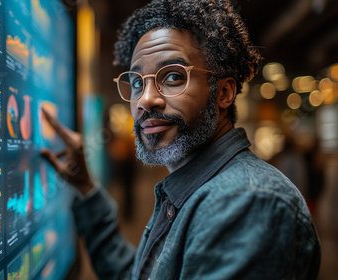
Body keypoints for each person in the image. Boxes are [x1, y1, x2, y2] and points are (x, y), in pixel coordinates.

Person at [40, 0, 321, 279]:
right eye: (138, 82)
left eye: (173, 76)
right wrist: (86, 188)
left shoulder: (246, 202)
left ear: (223, 93)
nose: (146, 100)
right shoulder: (193, 188)